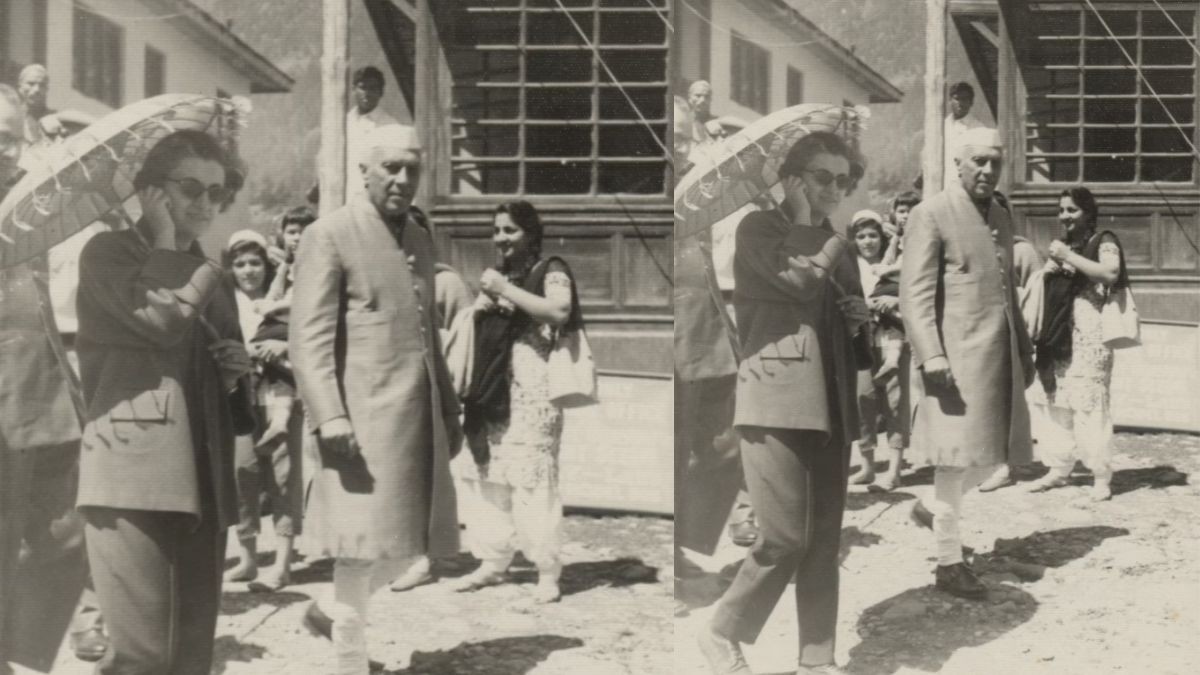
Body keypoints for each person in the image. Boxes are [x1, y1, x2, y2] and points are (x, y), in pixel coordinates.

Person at [75, 129, 254, 674]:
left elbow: (220, 387)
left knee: (191, 658)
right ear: (152, 190)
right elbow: (162, 319)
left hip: (202, 475)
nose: (205, 204)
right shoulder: (107, 254)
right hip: (132, 475)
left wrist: (231, 376)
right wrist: (163, 241)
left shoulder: (209, 270)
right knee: (143, 657)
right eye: (190, 188)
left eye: (216, 192)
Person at [290, 124, 461, 675]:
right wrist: (329, 415)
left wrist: (449, 409)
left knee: (410, 544)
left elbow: (429, 333)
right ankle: (350, 662)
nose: (403, 179)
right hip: (358, 423)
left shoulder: (419, 238)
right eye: (391, 167)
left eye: (413, 168)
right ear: (364, 171)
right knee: (360, 547)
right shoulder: (329, 234)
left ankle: (327, 614)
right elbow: (308, 339)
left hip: (414, 420)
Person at [697, 131, 870, 675]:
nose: (835, 189)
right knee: (785, 536)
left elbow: (849, 326)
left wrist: (857, 323)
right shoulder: (759, 229)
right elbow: (798, 279)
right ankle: (722, 630)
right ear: (792, 179)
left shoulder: (835, 243)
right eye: (822, 177)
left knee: (823, 542)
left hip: (830, 402)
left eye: (843, 180)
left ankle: (817, 659)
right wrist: (802, 219)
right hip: (774, 399)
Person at [900, 127, 1035, 601]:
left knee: (995, 455)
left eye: (995, 162)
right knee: (955, 460)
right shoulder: (931, 213)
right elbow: (914, 295)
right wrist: (931, 354)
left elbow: (1008, 290)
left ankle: (929, 508)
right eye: (978, 161)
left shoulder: (1000, 213)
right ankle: (948, 563)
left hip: (998, 357)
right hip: (953, 360)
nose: (987, 170)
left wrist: (1023, 350)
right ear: (957, 164)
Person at [450, 200, 582, 604]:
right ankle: (493, 561)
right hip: (492, 388)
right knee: (486, 472)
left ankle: (546, 570)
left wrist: (504, 292)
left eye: (510, 230)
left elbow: (559, 310)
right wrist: (483, 306)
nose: (501, 238)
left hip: (532, 391)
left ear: (531, 233)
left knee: (531, 478)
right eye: (496, 230)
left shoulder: (551, 270)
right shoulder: (502, 275)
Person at [0, 83, 89, 675]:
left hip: (45, 395)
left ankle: (23, 655)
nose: (2, 150)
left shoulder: (32, 207)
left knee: (67, 535)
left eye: (10, 138)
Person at [1024, 186, 1127, 502]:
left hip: (1089, 335)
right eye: (1061, 210)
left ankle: (1100, 475)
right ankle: (1059, 468)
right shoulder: (1065, 245)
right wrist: (1050, 270)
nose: (1065, 216)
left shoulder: (1104, 241)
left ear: (1088, 212)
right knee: (1053, 399)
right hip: (1058, 333)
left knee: (1088, 403)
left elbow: (1110, 273)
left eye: (1072, 210)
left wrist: (1068, 258)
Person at [222, 230, 306, 592]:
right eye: (240, 264)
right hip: (240, 395)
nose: (248, 270)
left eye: (255, 263)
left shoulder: (286, 298)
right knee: (243, 472)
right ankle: (248, 559)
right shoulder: (226, 301)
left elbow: (311, 336)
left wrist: (282, 345)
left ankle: (283, 564)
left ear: (266, 265)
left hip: (279, 392)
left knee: (283, 476)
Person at [847, 209, 908, 491]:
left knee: (894, 401)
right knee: (863, 399)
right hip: (860, 338)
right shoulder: (849, 265)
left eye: (872, 235)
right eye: (861, 236)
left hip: (891, 335)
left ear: (882, 238)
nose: (867, 241)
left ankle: (894, 470)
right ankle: (868, 466)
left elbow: (916, 291)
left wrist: (895, 301)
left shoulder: (894, 262)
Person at [344, 66, 400, 202]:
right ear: (353, 89)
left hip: (373, 200)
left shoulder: (391, 126)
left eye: (373, 88)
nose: (367, 93)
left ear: (381, 92)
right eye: (362, 87)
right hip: (342, 197)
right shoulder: (343, 122)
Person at [942, 82, 984, 191]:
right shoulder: (941, 126)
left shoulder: (978, 129)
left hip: (965, 187)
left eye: (965, 99)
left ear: (971, 102)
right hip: (941, 184)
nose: (960, 103)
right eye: (957, 99)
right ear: (950, 100)